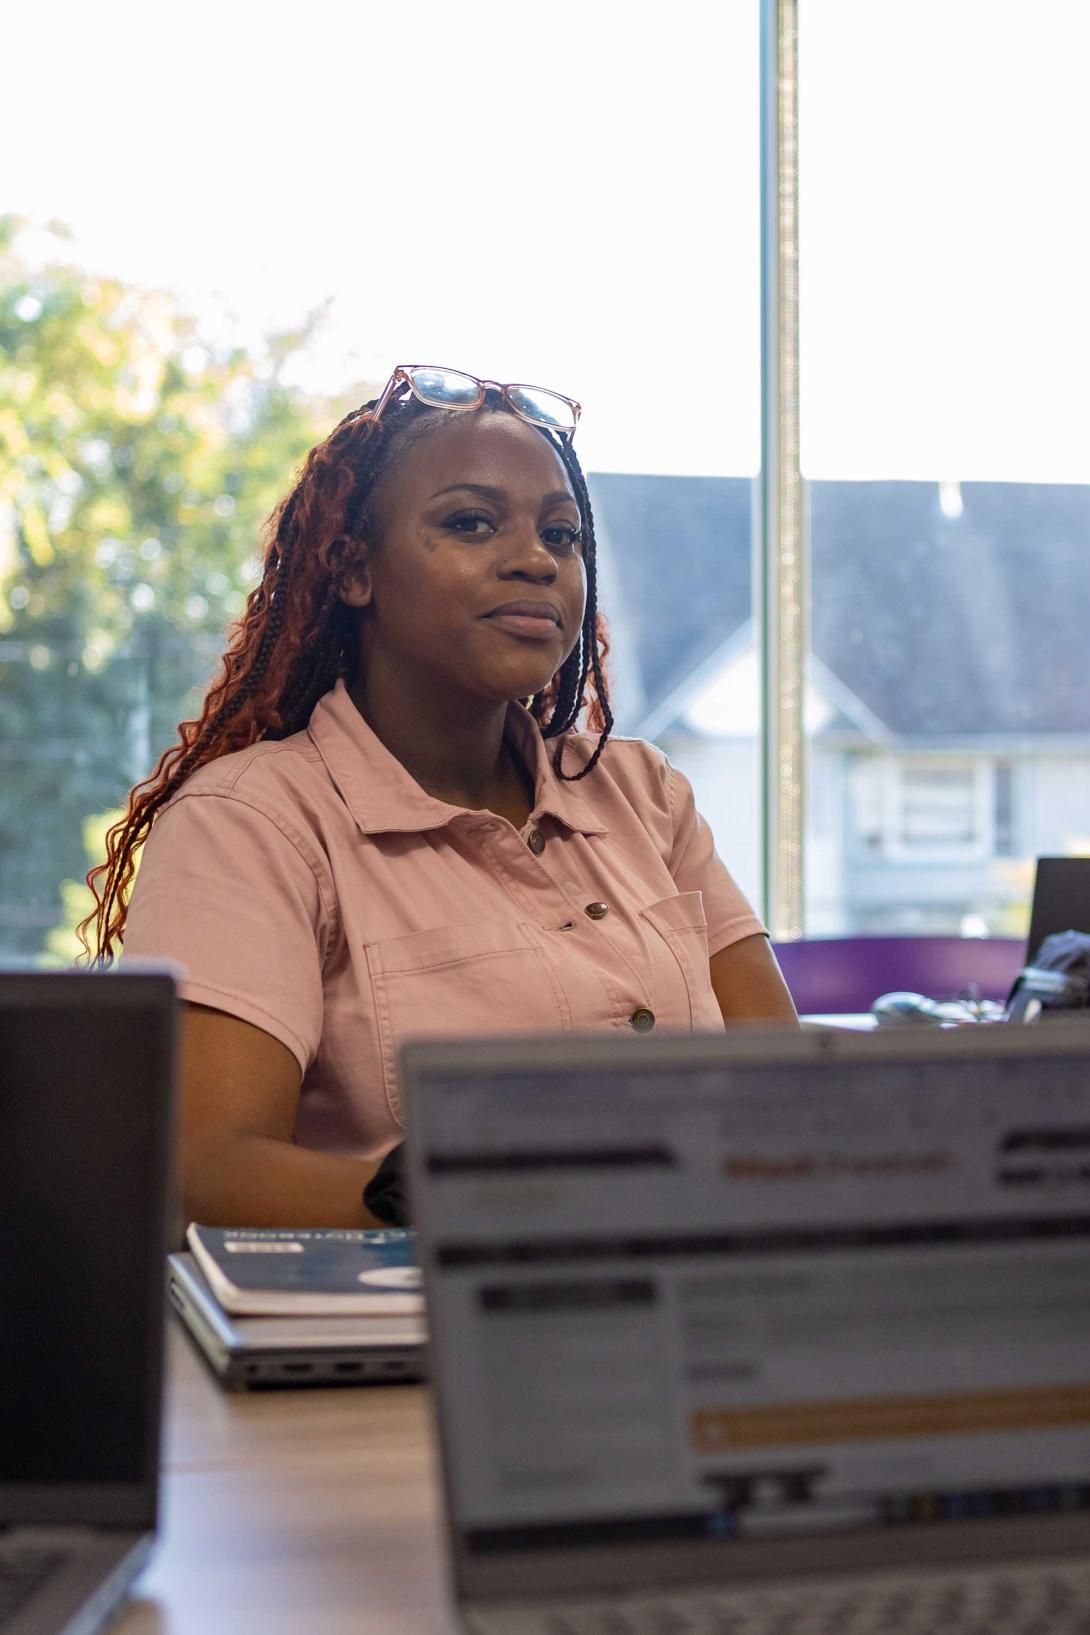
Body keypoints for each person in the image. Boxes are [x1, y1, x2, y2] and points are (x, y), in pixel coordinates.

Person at [80, 364, 797, 1228]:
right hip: (409, 1339)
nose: (536, 560)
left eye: (562, 535)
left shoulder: (643, 792)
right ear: (353, 571)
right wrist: (489, 1199)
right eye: (470, 522)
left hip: (697, 1315)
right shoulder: (250, 822)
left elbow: (790, 1096)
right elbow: (206, 1169)